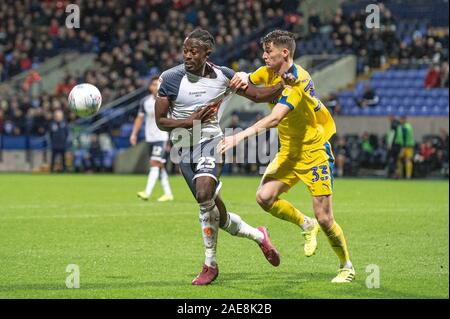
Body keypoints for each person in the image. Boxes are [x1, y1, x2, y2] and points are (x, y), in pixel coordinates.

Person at [219, 30, 355, 283]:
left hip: (314, 153)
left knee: (325, 218)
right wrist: (238, 76)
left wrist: (238, 137)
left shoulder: (298, 81)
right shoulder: (269, 72)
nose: (264, 56)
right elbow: (248, 77)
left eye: (268, 51)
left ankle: (346, 266)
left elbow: (275, 118)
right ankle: (305, 223)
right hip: (289, 153)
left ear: (284, 52)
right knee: (264, 197)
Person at [155, 29, 287, 286]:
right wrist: (189, 121)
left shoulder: (223, 76)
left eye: (194, 51)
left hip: (211, 142)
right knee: (216, 213)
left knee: (204, 195)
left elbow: (259, 96)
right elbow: (160, 121)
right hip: (183, 148)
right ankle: (260, 236)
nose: (188, 56)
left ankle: (210, 264)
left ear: (207, 54)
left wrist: (283, 84)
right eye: (185, 51)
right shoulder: (170, 79)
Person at [130, 76, 174, 202]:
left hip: (161, 137)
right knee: (159, 166)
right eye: (154, 84)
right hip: (150, 138)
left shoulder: (166, 101)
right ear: (150, 87)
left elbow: (172, 120)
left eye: (158, 84)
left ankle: (147, 193)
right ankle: (168, 193)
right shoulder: (145, 102)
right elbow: (139, 118)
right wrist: (134, 134)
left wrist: (171, 139)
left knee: (154, 163)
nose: (156, 87)